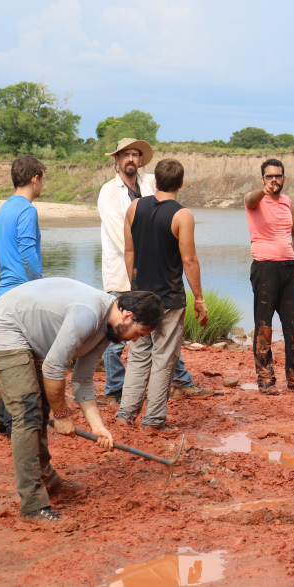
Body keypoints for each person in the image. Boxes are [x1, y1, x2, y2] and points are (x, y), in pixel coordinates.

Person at [0, 278, 162, 523]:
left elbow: (82, 380)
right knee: (28, 413)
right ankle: (33, 506)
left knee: (40, 408)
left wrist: (98, 426)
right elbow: (54, 368)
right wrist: (62, 416)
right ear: (127, 315)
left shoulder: (108, 331)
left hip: (32, 338)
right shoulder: (88, 314)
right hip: (4, 330)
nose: (135, 340)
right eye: (138, 333)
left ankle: (47, 480)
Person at [97, 138, 208, 402]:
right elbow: (122, 240)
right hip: (124, 275)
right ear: (117, 160)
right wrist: (140, 274)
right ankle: (115, 389)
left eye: (135, 155)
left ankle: (178, 382)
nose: (131, 159)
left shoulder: (147, 186)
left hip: (148, 277)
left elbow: (158, 217)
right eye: (126, 155)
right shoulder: (109, 192)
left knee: (158, 334)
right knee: (120, 334)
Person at [116, 159, 208, 432]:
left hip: (140, 296)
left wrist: (134, 288)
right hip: (168, 299)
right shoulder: (182, 216)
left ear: (155, 181)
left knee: (139, 354)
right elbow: (189, 260)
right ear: (180, 184)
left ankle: (125, 413)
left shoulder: (135, 207)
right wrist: (199, 299)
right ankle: (153, 420)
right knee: (164, 358)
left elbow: (129, 251)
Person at [243, 158, 294, 395]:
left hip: (288, 270)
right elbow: (250, 198)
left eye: (277, 175)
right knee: (264, 327)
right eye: (269, 176)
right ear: (263, 179)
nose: (273, 180)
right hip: (265, 269)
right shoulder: (254, 200)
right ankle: (266, 380)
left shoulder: (287, 202)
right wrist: (262, 191)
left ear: (284, 178)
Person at [0, 155, 46, 436]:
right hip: (22, 291)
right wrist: (40, 284)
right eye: (42, 178)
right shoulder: (27, 209)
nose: (43, 184)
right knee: (22, 358)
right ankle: (16, 423)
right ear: (35, 178)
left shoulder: (5, 208)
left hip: (3, 289)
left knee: (2, 355)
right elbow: (26, 251)